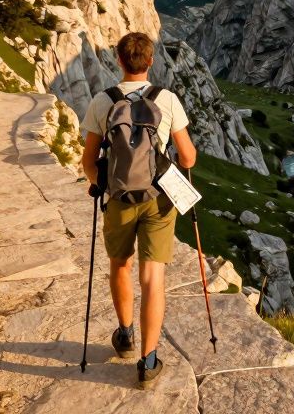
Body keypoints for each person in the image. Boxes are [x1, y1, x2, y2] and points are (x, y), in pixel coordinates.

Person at [80, 32, 197, 389]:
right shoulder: (168, 100)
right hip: (159, 201)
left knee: (120, 264)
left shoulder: (103, 101)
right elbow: (189, 157)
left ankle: (125, 335)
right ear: (151, 61)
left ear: (118, 60)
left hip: (118, 199)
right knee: (152, 278)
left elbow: (88, 161)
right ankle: (148, 362)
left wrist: (103, 182)